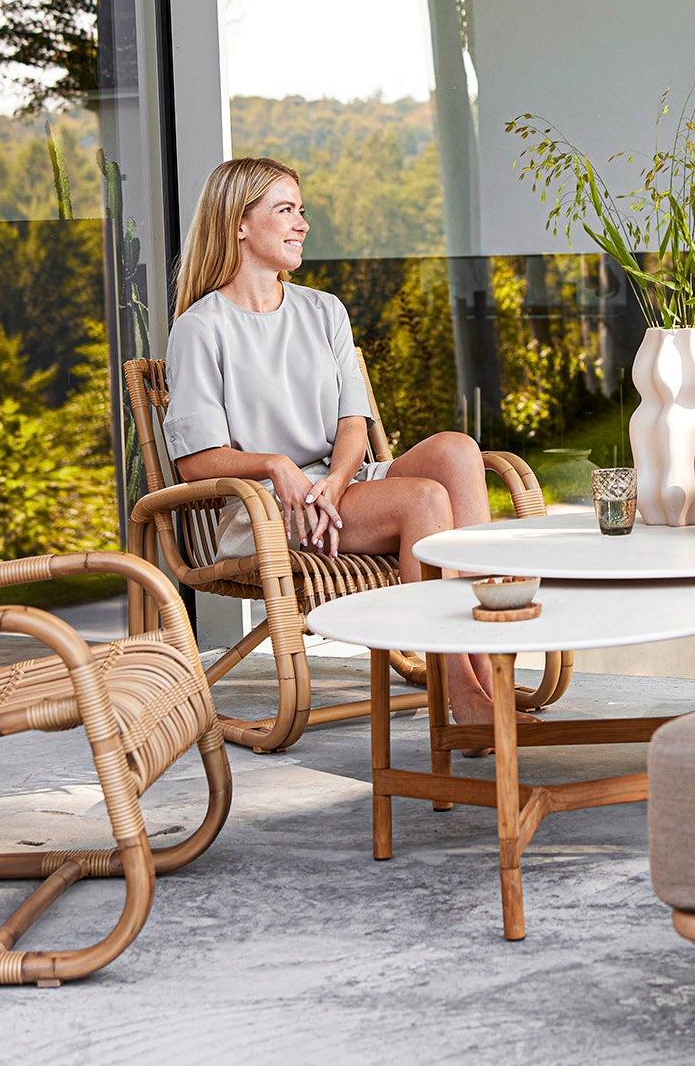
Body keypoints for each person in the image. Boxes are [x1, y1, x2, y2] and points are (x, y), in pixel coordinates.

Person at [163, 156, 510, 727]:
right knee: (423, 499)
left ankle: (482, 674)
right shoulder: (201, 328)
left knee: (456, 448)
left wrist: (334, 481)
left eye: (301, 211)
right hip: (268, 510)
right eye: (284, 211)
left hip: (336, 488)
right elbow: (195, 460)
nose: (301, 224)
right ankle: (463, 696)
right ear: (239, 224)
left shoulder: (323, 310)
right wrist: (277, 466)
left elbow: (354, 422)